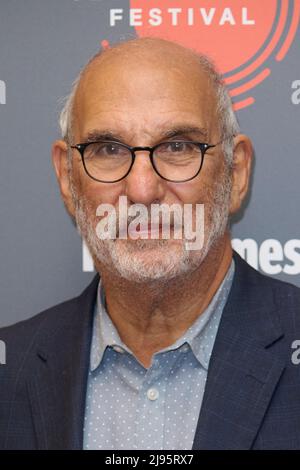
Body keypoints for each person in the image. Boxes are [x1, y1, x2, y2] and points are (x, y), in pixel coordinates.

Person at [1, 37, 300, 450]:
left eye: (177, 147)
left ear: (236, 171)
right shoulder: (9, 370)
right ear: (68, 179)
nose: (142, 190)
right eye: (109, 149)